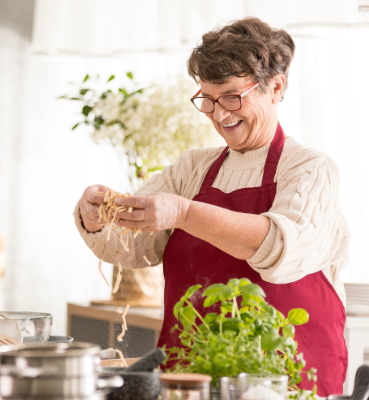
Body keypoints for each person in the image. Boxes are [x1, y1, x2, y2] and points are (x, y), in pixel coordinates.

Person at [75, 17, 349, 396]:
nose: (221, 115)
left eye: (233, 96)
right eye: (208, 99)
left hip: (284, 382)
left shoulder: (309, 169)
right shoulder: (192, 167)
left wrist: (185, 213)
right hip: (191, 379)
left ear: (276, 87)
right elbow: (132, 247)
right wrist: (97, 218)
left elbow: (281, 249)